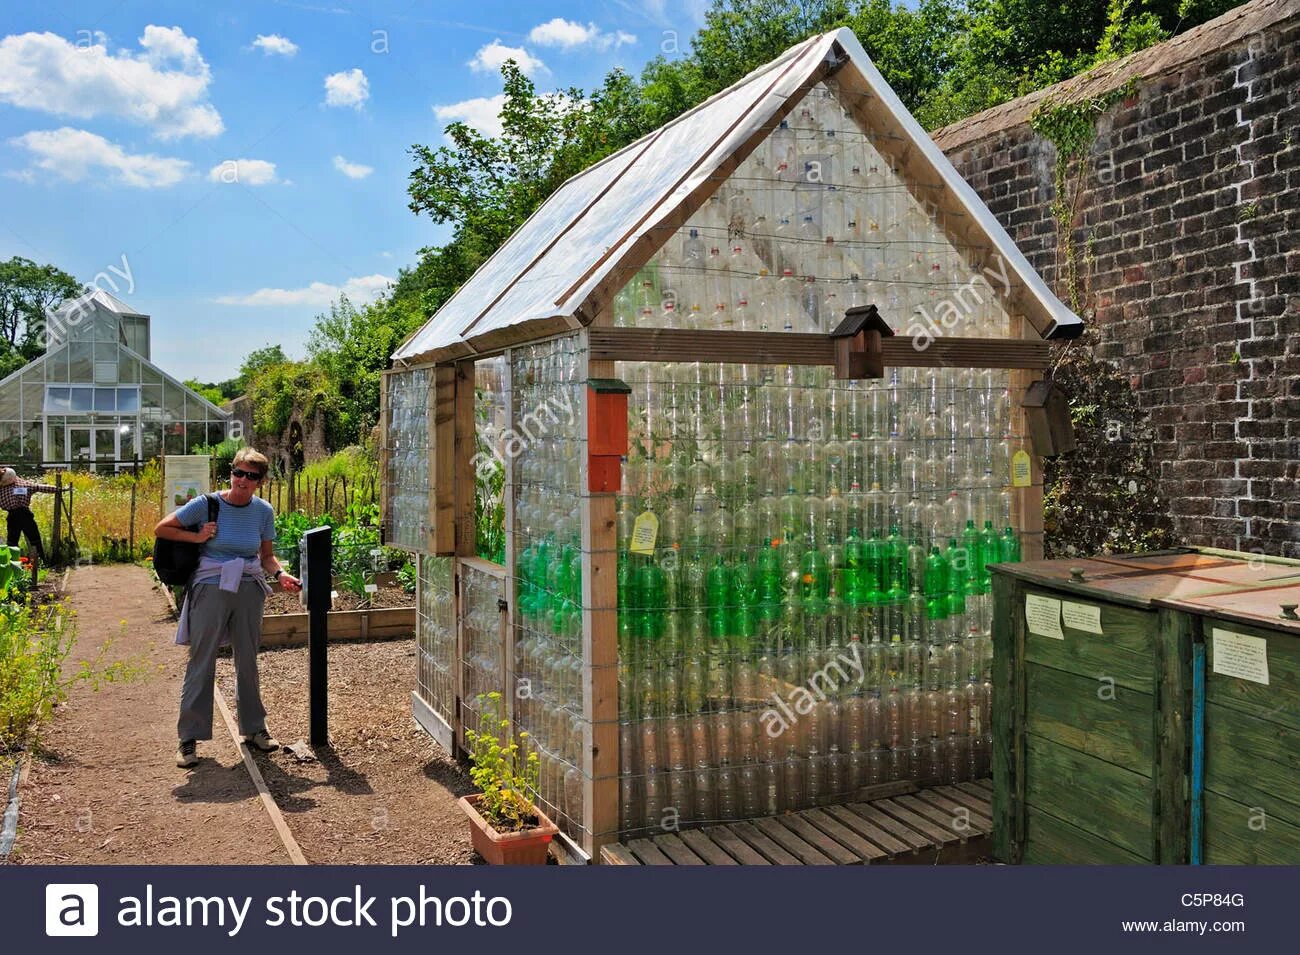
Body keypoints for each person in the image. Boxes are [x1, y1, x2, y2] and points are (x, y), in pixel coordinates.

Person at [154, 449, 301, 768]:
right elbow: (162, 528)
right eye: (238, 472)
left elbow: (266, 556)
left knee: (247, 658)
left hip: (248, 586)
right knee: (202, 658)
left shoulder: (263, 511)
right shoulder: (207, 504)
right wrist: (197, 537)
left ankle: (254, 729)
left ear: (261, 482)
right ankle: (188, 739)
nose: (242, 480)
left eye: (251, 476)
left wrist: (280, 574)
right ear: (231, 472)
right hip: (211, 585)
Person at [0, 466, 60, 561]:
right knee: (30, 539)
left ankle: (18, 562)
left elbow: (40, 487)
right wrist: (58, 489)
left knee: (14, 541)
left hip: (18, 515)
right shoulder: (23, 485)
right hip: (21, 515)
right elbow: (40, 487)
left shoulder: (22, 485)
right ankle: (39, 561)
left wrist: (57, 489)